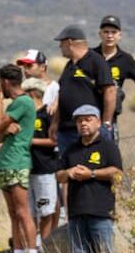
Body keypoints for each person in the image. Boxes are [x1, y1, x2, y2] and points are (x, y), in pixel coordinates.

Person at [57, 104, 123, 253]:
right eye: (79, 121)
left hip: (100, 212)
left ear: (98, 122)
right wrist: (68, 172)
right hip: (76, 212)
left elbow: (117, 173)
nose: (83, 124)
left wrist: (91, 174)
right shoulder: (71, 150)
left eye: (88, 119)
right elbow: (58, 175)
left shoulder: (108, 147)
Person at [0, 64, 40, 253]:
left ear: (5, 82)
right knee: (13, 214)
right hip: (6, 162)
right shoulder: (15, 106)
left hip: (17, 162)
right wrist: (5, 127)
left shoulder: (22, 102)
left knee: (23, 212)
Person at [50, 25, 117, 155]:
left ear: (69, 43)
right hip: (66, 131)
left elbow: (110, 91)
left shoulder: (96, 61)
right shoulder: (69, 66)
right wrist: (55, 122)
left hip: (88, 131)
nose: (60, 47)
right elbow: (61, 94)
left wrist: (106, 122)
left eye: (61, 43)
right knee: (68, 170)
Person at [24, 77, 60, 240]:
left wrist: (31, 141)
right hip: (27, 170)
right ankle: (33, 248)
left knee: (46, 212)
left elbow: (54, 140)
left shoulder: (48, 114)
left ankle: (45, 246)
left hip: (44, 170)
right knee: (30, 213)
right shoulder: (25, 117)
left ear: (32, 94)